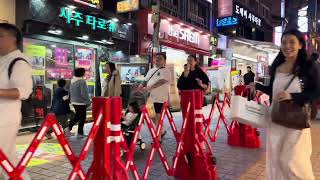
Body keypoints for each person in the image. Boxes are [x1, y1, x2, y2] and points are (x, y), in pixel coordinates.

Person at [248, 29, 320, 180]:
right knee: (276, 161)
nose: (287, 46)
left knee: (293, 163)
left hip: (296, 122)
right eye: (284, 42)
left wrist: (293, 96)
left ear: (300, 44)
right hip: (276, 120)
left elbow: (316, 92)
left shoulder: (308, 66)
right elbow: (274, 92)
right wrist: (257, 86)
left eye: (292, 42)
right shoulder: (277, 66)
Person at [0, 23, 32, 179]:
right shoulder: (2, 60)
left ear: (13, 39)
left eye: (0, 36)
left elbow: (24, 91)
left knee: (4, 160)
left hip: (5, 119)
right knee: (9, 161)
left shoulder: (19, 62)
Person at [141, 53, 171, 141]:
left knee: (158, 117)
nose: (157, 60)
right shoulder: (151, 70)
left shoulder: (166, 71)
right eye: (156, 58)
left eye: (160, 59)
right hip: (150, 98)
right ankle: (161, 131)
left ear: (164, 61)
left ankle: (158, 138)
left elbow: (162, 81)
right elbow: (145, 80)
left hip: (160, 99)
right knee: (151, 116)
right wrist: (140, 87)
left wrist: (151, 87)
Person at [68, 68, 91, 138]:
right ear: (82, 73)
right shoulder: (82, 81)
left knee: (78, 116)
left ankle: (69, 127)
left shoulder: (72, 81)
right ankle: (79, 131)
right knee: (82, 117)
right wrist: (88, 101)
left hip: (74, 101)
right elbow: (84, 93)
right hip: (81, 102)